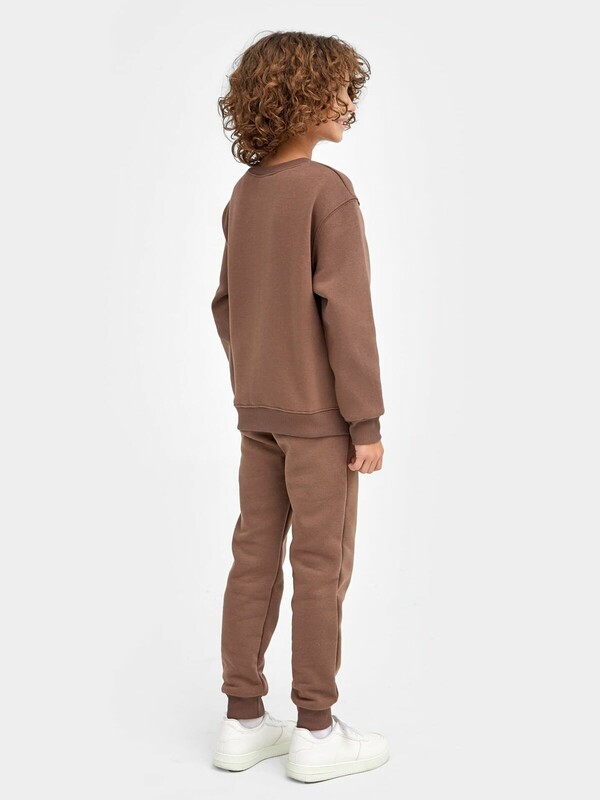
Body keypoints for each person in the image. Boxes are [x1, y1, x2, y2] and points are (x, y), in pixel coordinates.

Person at [210, 31, 389, 782]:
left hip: (258, 414)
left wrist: (257, 382)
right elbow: (347, 315)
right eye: (337, 89)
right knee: (321, 565)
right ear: (301, 96)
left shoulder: (245, 194)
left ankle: (243, 721)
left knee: (253, 556)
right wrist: (364, 420)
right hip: (319, 423)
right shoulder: (327, 190)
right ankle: (316, 730)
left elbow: (225, 305)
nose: (348, 102)